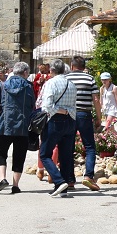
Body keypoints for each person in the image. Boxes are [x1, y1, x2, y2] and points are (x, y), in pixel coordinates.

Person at [0, 62, 35, 193]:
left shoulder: (2, 85)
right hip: (22, 126)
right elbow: (32, 104)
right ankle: (15, 185)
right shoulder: (28, 87)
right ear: (25, 73)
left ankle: (2, 178)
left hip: (3, 125)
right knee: (19, 155)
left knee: (0, 153)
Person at [38, 60, 77, 197]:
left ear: (52, 70)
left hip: (55, 120)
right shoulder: (71, 84)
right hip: (70, 121)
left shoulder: (51, 83)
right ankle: (63, 188)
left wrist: (60, 110)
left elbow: (47, 105)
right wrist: (67, 112)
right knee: (66, 156)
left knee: (44, 153)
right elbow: (74, 105)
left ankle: (59, 181)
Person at [66, 57, 99, 190]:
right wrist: (99, 117)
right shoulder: (89, 78)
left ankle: (69, 179)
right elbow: (95, 99)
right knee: (90, 146)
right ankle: (88, 176)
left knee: (68, 146)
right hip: (85, 114)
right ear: (83, 66)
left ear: (72, 66)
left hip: (69, 114)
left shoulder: (66, 78)